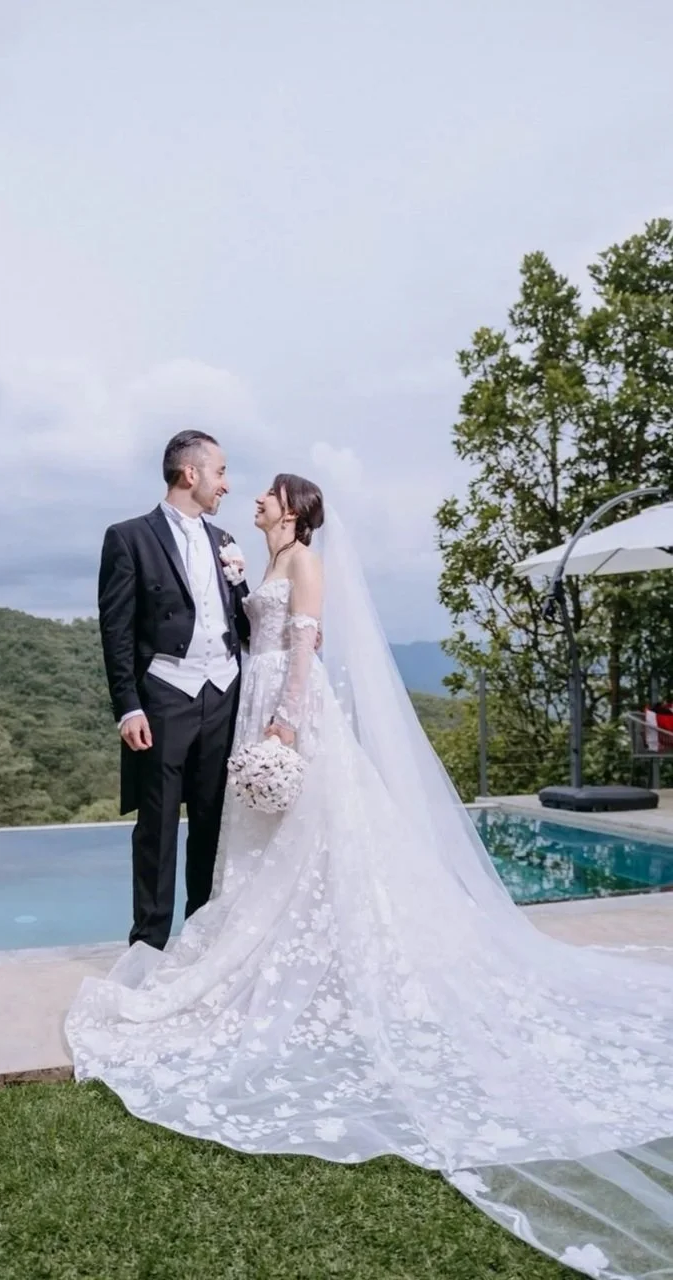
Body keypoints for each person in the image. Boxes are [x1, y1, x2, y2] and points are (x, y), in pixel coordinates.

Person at [69, 475, 673, 1280]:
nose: (248, 498)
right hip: (241, 706)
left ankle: (327, 953)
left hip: (287, 708)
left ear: (293, 509)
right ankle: (240, 947)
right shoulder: (249, 557)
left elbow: (305, 643)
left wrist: (286, 719)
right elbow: (231, 625)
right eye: (236, 485)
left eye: (265, 495)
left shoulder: (308, 561)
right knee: (257, 852)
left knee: (314, 844)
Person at [96, 430, 249, 950]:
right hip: (164, 693)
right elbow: (115, 630)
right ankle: (148, 946)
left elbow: (244, 617)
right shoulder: (129, 537)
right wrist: (128, 706)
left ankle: (202, 940)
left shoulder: (226, 542)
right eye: (221, 472)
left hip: (224, 691)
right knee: (158, 824)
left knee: (212, 820)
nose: (226, 484)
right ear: (191, 474)